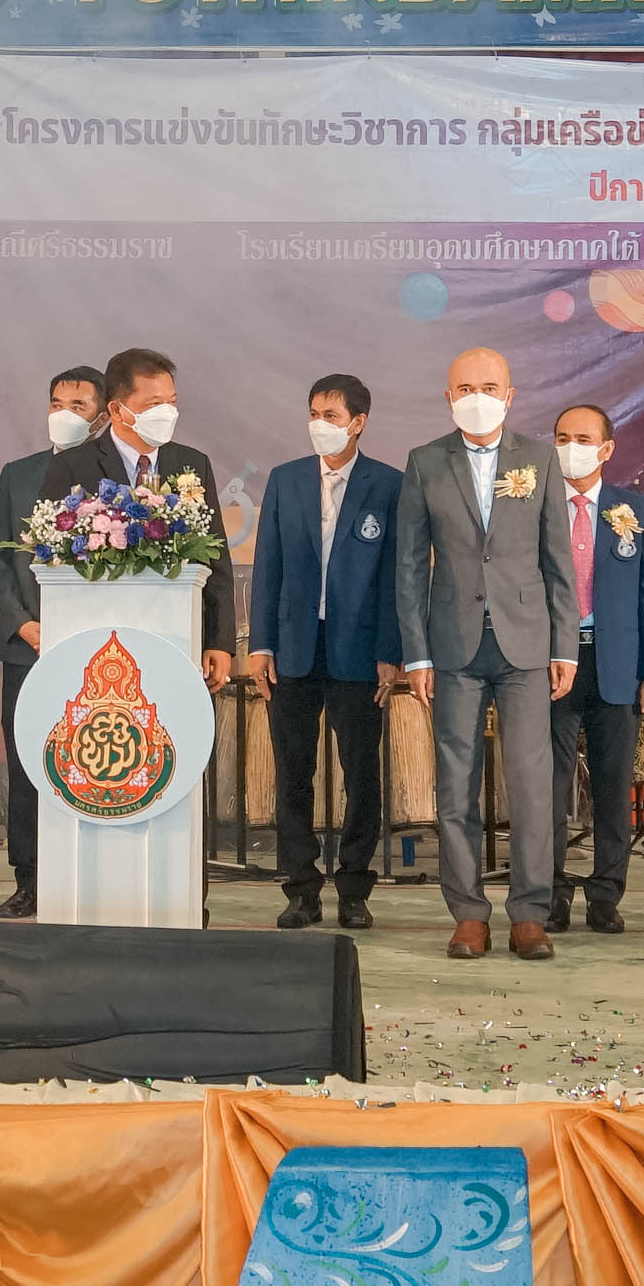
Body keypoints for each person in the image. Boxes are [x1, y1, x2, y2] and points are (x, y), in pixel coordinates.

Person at [391, 347, 579, 962]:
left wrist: (564, 646)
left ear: (510, 395)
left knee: (531, 784)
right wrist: (417, 656)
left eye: (490, 387)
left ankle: (530, 913)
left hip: (526, 644)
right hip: (453, 644)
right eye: (466, 388)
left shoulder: (540, 459)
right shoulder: (425, 461)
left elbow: (558, 562)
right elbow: (409, 567)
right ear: (449, 397)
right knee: (456, 786)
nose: (478, 398)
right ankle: (468, 914)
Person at [246, 373, 404, 930]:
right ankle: (301, 888)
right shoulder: (285, 479)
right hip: (294, 648)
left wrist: (390, 651)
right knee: (293, 771)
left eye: (331, 416)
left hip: (359, 651)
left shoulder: (389, 484)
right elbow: (267, 566)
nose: (320, 425)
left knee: (361, 774)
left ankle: (355, 888)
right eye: (314, 414)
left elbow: (396, 575)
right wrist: (260, 644)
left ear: (358, 423)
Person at [34, 346, 238, 688]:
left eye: (171, 402)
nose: (167, 413)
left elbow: (216, 559)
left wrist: (219, 641)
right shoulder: (72, 466)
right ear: (116, 409)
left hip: (178, 637)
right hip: (95, 641)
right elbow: (50, 558)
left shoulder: (192, 463)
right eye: (154, 405)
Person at [544, 403, 644, 935]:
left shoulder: (633, 508)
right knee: (548, 788)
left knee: (613, 789)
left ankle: (605, 895)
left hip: (615, 665)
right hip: (550, 664)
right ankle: (549, 894)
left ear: (606, 448)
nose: (570, 447)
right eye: (561, 437)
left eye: (582, 438)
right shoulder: (535, 504)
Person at [0, 367, 106, 917]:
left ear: (103, 414)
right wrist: (22, 622)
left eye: (79, 405)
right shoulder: (18, 474)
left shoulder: (115, 475)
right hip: (26, 644)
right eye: (57, 403)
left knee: (91, 756)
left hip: (94, 650)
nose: (65, 414)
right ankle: (29, 878)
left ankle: (94, 874)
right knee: (28, 762)